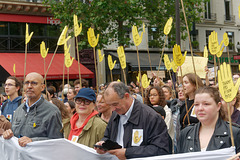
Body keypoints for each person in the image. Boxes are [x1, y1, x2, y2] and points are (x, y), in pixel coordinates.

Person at [95, 82, 169, 159]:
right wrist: (103, 144)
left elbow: (161, 150)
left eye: (115, 104)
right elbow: (108, 136)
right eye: (110, 105)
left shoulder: (151, 117)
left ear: (126, 96)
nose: (113, 109)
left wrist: (127, 153)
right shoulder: (115, 114)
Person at [2, 72, 63, 147]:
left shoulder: (52, 111)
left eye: (34, 83)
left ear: (42, 87)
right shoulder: (19, 110)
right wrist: (8, 133)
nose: (29, 86)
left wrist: (33, 141)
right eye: (27, 83)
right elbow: (14, 134)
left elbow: (57, 142)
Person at [177, 86, 240, 153]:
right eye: (196, 104)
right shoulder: (186, 133)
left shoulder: (234, 133)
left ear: (218, 106)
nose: (200, 108)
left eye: (206, 104)